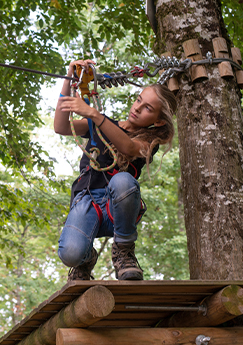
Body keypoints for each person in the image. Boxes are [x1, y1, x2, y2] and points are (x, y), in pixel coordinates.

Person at [54, 59, 177, 281]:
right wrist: (69, 79)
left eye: (147, 108)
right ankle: (85, 259)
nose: (137, 108)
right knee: (71, 253)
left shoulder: (149, 142)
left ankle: (123, 249)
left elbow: (128, 147)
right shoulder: (103, 123)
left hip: (116, 206)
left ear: (158, 122)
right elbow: (61, 127)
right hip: (87, 199)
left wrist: (93, 114)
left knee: (123, 180)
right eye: (139, 100)